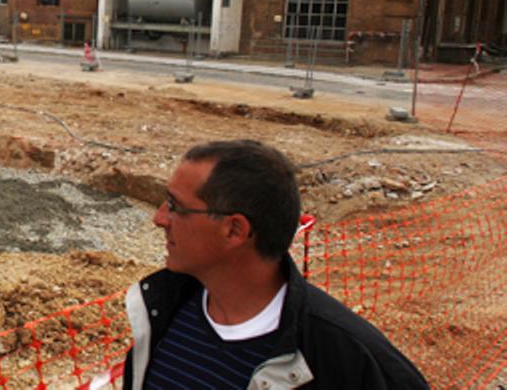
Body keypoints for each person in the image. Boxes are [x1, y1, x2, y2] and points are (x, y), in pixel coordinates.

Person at [116, 140, 427, 389]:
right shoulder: (163, 311)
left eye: (175, 206)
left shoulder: (348, 361)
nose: (159, 218)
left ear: (234, 230)